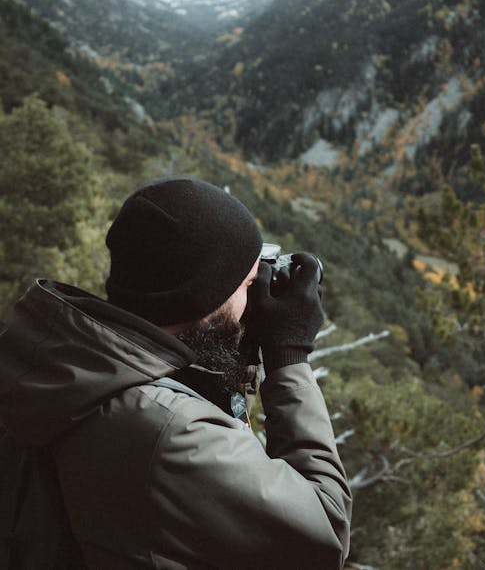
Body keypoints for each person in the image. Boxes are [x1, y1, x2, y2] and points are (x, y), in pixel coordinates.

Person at [0, 176, 352, 569]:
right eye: (250, 283)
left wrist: (235, 342)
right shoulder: (174, 433)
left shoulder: (54, 359)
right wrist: (289, 358)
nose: (257, 295)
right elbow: (324, 531)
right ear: (204, 300)